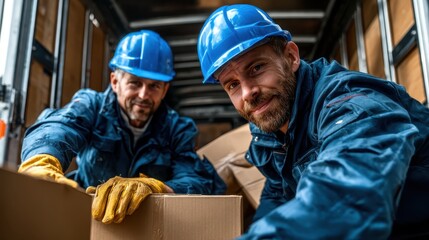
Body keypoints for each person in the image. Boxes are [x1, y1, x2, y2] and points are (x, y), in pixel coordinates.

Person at [197, 4, 429, 239]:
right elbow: (276, 194)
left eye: (256, 68)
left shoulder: (349, 102)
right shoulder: (268, 136)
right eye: (233, 84)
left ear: (291, 57)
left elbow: (347, 196)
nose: (247, 93)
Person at [19, 29, 225, 224]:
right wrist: (41, 161)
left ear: (165, 90)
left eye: (154, 86)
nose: (144, 95)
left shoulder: (177, 129)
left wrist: (155, 187)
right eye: (135, 83)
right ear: (115, 81)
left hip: (148, 225)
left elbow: (195, 180)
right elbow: (60, 126)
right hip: (88, 219)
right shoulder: (92, 105)